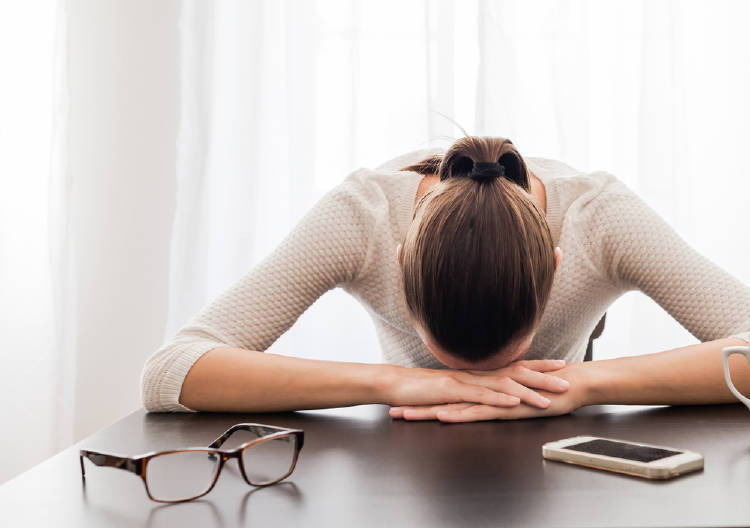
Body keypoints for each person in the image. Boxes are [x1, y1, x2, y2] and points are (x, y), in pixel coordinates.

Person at [140, 136, 750, 422]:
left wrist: (586, 384)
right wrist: (392, 383)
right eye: (463, 368)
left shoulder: (599, 218)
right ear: (400, 261)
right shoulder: (365, 216)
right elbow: (171, 371)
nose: (482, 383)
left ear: (556, 267)